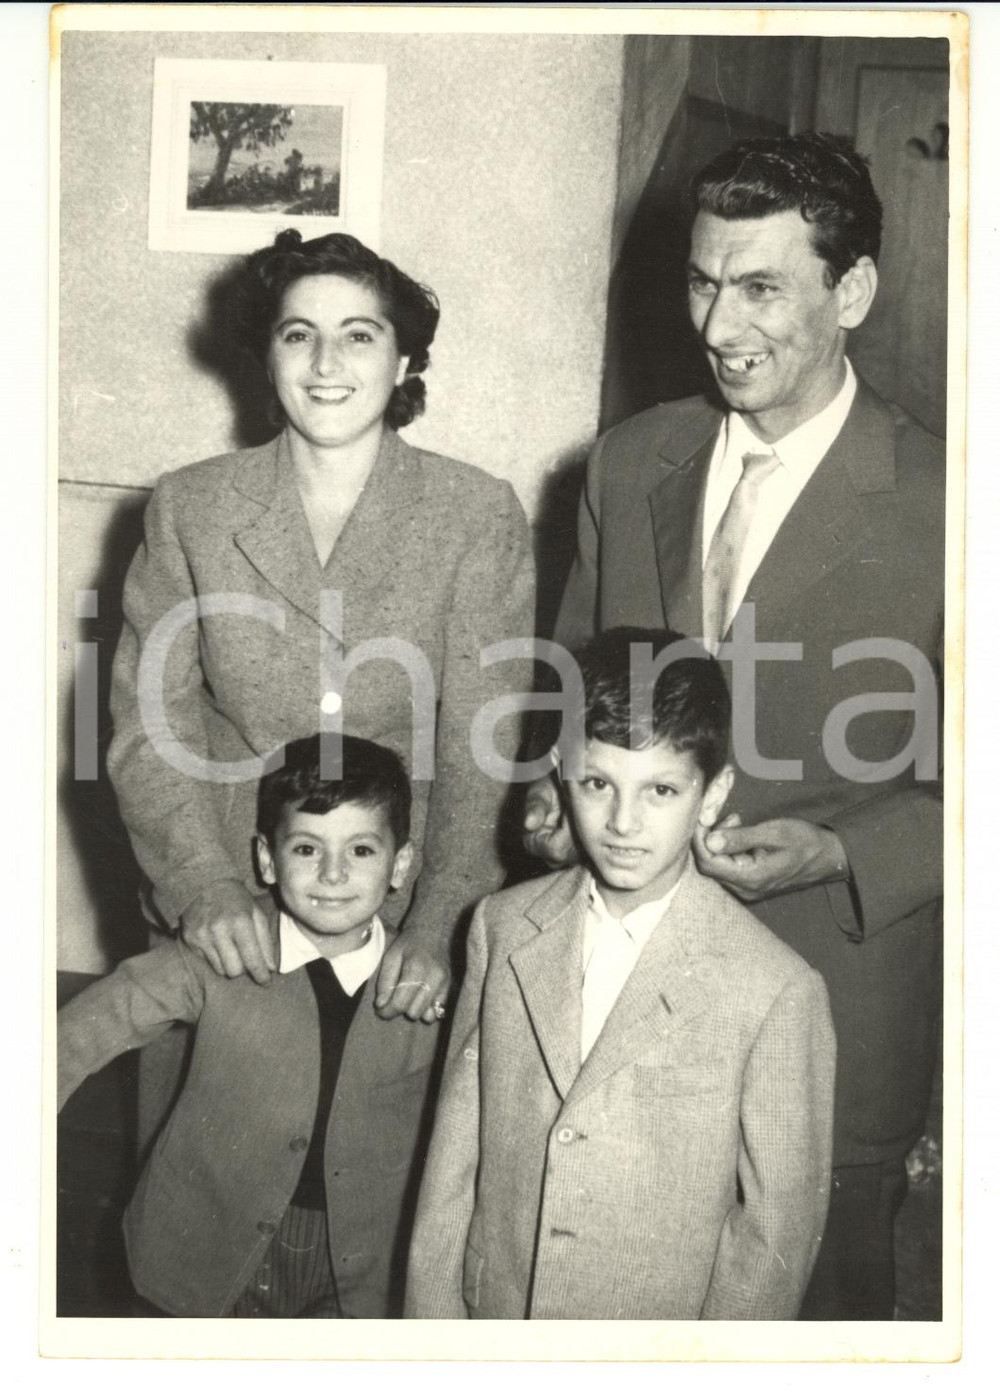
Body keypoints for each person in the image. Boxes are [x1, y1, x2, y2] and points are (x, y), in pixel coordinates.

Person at [524, 134, 943, 1320]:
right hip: (613, 998)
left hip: (834, 1004)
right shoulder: (627, 461)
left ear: (849, 291)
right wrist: (552, 795)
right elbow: (570, 694)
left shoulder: (952, 501)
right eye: (702, 281)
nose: (717, 322)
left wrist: (848, 849)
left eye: (759, 286)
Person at [107, 230, 534, 1139]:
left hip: (399, 905)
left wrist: (443, 921)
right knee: (208, 1181)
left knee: (373, 1180)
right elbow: (149, 723)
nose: (327, 362)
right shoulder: (193, 506)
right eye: (299, 334)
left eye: (360, 335)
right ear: (267, 354)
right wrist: (203, 885)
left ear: (406, 357)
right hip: (233, 891)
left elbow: (482, 741)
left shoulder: (475, 514)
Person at [406, 628, 836, 1320]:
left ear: (714, 792)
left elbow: (774, 1238)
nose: (623, 823)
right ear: (559, 775)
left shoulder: (775, 990)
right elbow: (453, 1159)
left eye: (661, 790)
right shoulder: (501, 927)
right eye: (598, 784)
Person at [59, 733, 445, 1318]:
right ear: (266, 859)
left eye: (362, 850)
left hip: (359, 1271)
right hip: (206, 1249)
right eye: (307, 849)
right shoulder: (223, 954)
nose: (333, 874)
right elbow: (88, 1028)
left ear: (402, 864)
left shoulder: (430, 985)